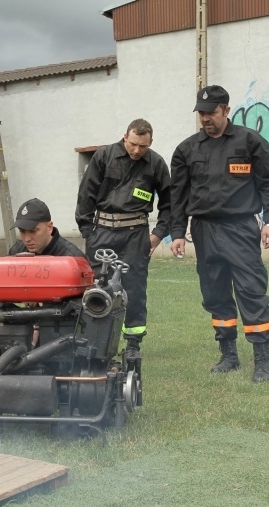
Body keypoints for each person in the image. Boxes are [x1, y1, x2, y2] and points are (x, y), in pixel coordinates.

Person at [169, 85, 269, 382]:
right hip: (204, 229)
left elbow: (268, 184)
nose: (205, 119)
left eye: (211, 113)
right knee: (215, 293)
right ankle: (228, 355)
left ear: (226, 110)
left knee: (251, 291)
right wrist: (178, 232)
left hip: (241, 227)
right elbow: (177, 196)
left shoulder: (250, 141)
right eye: (202, 114)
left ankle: (262, 360)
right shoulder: (186, 150)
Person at [75, 119, 171, 361]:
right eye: (134, 144)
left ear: (151, 143)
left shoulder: (156, 164)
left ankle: (133, 343)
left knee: (134, 289)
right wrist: (88, 232)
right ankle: (93, 342)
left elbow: (170, 203)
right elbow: (86, 194)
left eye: (144, 146)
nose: (138, 151)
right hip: (102, 232)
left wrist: (157, 235)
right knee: (96, 287)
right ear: (125, 137)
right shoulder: (104, 156)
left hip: (136, 235)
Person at [10, 198, 86, 257]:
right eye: (22, 231)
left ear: (49, 228)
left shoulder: (71, 257)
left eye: (33, 231)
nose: (27, 239)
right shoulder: (16, 251)